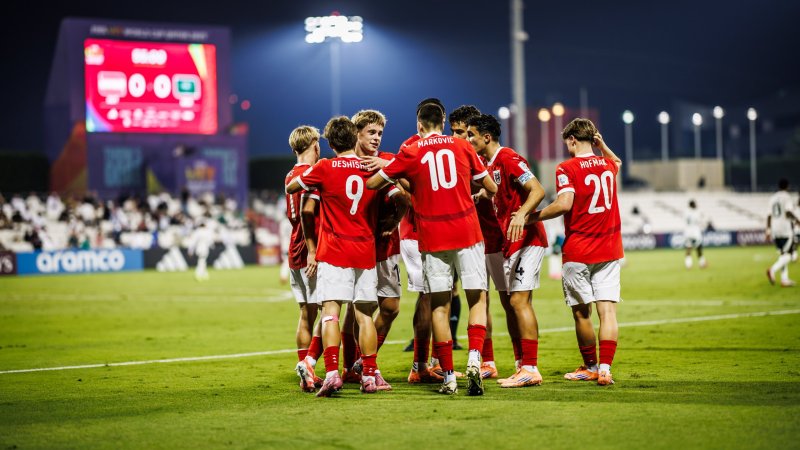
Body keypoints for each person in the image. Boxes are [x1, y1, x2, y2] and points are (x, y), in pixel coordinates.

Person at [367, 102, 497, 396]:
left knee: (438, 305)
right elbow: (491, 187)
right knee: (477, 298)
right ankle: (475, 361)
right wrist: (472, 193)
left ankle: (449, 377)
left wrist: (392, 167)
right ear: (442, 120)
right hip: (467, 231)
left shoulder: (411, 151)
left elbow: (375, 182)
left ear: (419, 125)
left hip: (432, 236)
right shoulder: (462, 147)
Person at [286, 116, 402, 396]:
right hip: (365, 250)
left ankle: (333, 374)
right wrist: (392, 223)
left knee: (331, 314)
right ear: (354, 138)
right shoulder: (370, 168)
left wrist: (316, 182)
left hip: (334, 250)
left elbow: (294, 188)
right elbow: (400, 196)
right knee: (364, 315)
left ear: (329, 142)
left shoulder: (324, 167)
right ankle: (370, 375)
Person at [526, 118, 623, 386]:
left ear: (571, 140)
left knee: (582, 314)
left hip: (580, 250)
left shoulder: (566, 168)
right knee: (608, 313)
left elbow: (564, 203)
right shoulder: (606, 164)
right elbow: (617, 164)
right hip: (610, 249)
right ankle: (605, 369)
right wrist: (602, 147)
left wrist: (533, 217)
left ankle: (590, 365)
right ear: (593, 140)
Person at [467, 114, 548, 388]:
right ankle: (520, 364)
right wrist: (481, 196)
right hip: (507, 242)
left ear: (486, 137)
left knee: (518, 302)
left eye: (471, 135)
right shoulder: (487, 165)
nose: (468, 140)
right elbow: (497, 193)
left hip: (527, 239)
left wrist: (522, 214)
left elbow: (537, 190)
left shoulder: (509, 158)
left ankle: (531, 368)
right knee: (508, 303)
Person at [339, 109, 407, 391]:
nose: (377, 138)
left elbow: (406, 188)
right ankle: (357, 366)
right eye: (371, 132)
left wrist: (395, 220)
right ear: (357, 133)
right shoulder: (343, 164)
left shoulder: (389, 160)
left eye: (380, 133)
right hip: (358, 247)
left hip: (387, 247)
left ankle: (362, 362)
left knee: (390, 308)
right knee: (355, 310)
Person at [452, 105, 506, 379]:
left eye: (465, 132)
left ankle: (526, 364)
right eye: (458, 132)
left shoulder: (488, 159)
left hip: (495, 239)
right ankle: (487, 361)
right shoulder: (457, 158)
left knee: (509, 303)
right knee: (478, 299)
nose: (461, 138)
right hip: (469, 239)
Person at [284, 125, 324, 392]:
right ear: (313, 145)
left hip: (294, 249)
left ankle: (304, 370)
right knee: (328, 309)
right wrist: (314, 249)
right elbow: (310, 214)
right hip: (312, 250)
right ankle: (310, 364)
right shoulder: (312, 174)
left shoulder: (290, 175)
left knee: (305, 312)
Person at [766, 178, 800, 287]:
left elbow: (769, 215)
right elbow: (788, 212)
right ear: (787, 186)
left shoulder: (773, 198)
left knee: (782, 256)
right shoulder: (787, 197)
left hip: (775, 229)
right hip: (785, 229)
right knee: (790, 255)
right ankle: (772, 270)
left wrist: (768, 230)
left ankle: (784, 279)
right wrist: (798, 220)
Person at [683, 199, 707, 269]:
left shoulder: (686, 212)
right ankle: (702, 263)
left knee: (688, 249)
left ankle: (688, 265)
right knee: (698, 249)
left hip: (687, 233)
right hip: (696, 233)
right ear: (693, 205)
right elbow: (701, 220)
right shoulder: (697, 212)